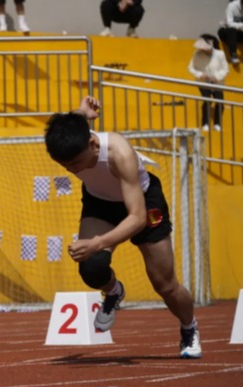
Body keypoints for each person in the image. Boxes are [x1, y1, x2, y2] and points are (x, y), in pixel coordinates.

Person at [44, 96, 202, 359]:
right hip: (100, 201)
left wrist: (97, 242)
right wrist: (81, 111)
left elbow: (137, 218)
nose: (71, 170)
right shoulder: (75, 138)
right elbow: (73, 121)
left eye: (75, 164)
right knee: (91, 267)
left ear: (93, 144)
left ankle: (189, 327)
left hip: (143, 203)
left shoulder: (119, 153)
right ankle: (114, 292)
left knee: (165, 284)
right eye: (65, 165)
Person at [188, 34, 229, 133]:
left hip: (218, 83)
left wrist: (217, 77)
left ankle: (217, 123)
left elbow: (225, 69)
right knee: (207, 101)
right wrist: (200, 75)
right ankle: (205, 123)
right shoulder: (197, 54)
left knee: (219, 101)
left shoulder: (220, 54)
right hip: (203, 83)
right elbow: (191, 68)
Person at [218, 0, 243, 65]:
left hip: (238, 34)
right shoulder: (232, 6)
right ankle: (233, 55)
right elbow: (229, 24)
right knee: (231, 29)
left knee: (234, 31)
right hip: (225, 31)